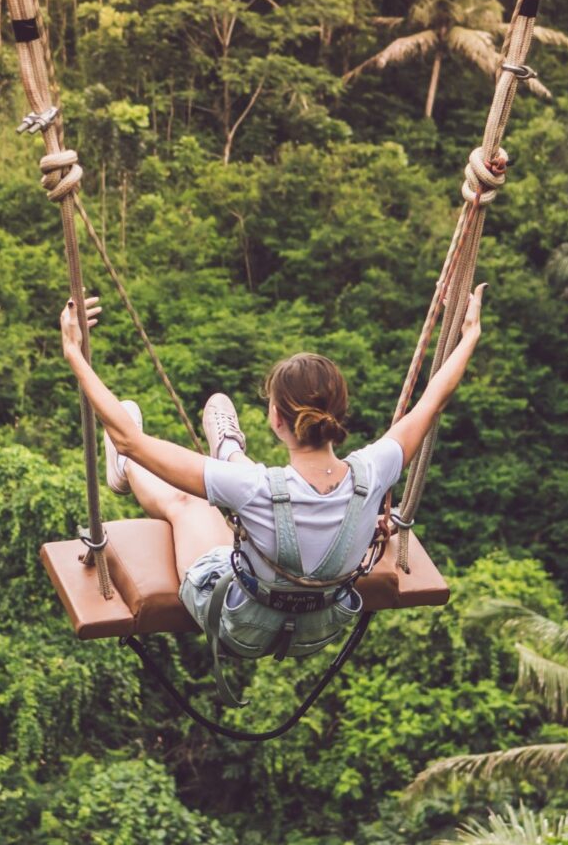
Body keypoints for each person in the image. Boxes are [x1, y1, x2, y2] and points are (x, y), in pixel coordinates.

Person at [58, 282, 485, 659]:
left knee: (190, 504)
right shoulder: (375, 470)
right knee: (240, 489)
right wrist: (468, 336)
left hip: (240, 625)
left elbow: (131, 437)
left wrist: (75, 354)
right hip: (318, 629)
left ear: (277, 419)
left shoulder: (252, 489)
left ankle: (131, 469)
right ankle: (227, 448)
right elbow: (433, 400)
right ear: (338, 415)